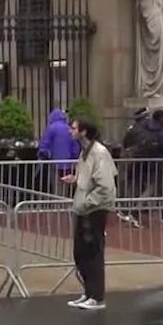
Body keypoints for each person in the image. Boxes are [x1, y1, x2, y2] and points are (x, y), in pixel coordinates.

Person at [62, 118, 117, 311]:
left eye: (74, 128)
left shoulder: (98, 153)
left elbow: (105, 186)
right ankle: (88, 293)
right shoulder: (85, 152)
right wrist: (76, 179)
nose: (71, 131)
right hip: (84, 209)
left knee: (93, 253)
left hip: (94, 210)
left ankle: (97, 296)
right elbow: (90, 178)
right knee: (81, 253)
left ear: (83, 132)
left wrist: (87, 202)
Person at [38, 108, 80, 194]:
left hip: (55, 161)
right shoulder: (69, 128)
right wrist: (74, 158)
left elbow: (44, 144)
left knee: (56, 185)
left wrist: (43, 154)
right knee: (67, 184)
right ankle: (64, 201)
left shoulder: (51, 128)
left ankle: (57, 205)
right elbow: (75, 146)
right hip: (68, 162)